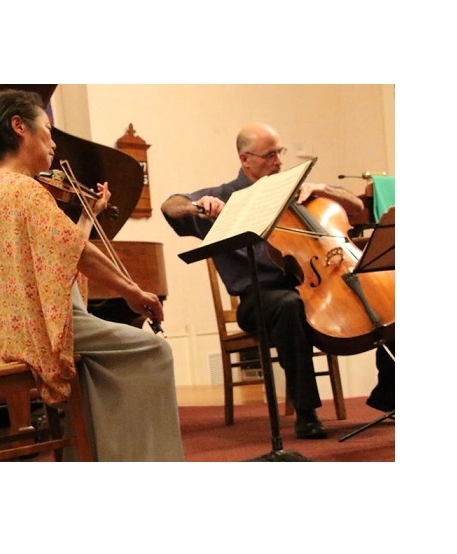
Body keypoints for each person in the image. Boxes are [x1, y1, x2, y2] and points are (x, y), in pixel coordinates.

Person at [0, 88, 184, 461]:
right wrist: (132, 291)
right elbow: (79, 254)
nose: (53, 142)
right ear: (19, 126)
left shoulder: (1, 188)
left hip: (23, 327)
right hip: (48, 328)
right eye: (48, 130)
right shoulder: (25, 189)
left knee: (100, 365)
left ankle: (99, 454)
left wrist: (88, 215)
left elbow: (65, 248)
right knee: (156, 350)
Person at [161, 121, 394, 439]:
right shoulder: (225, 199)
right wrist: (198, 207)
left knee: (393, 296)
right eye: (270, 155)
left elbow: (354, 207)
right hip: (261, 298)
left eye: (280, 152)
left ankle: (391, 393)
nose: (279, 162)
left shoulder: (298, 193)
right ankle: (307, 412)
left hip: (321, 285)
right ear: (245, 159)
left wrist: (323, 189)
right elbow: (169, 204)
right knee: (289, 306)